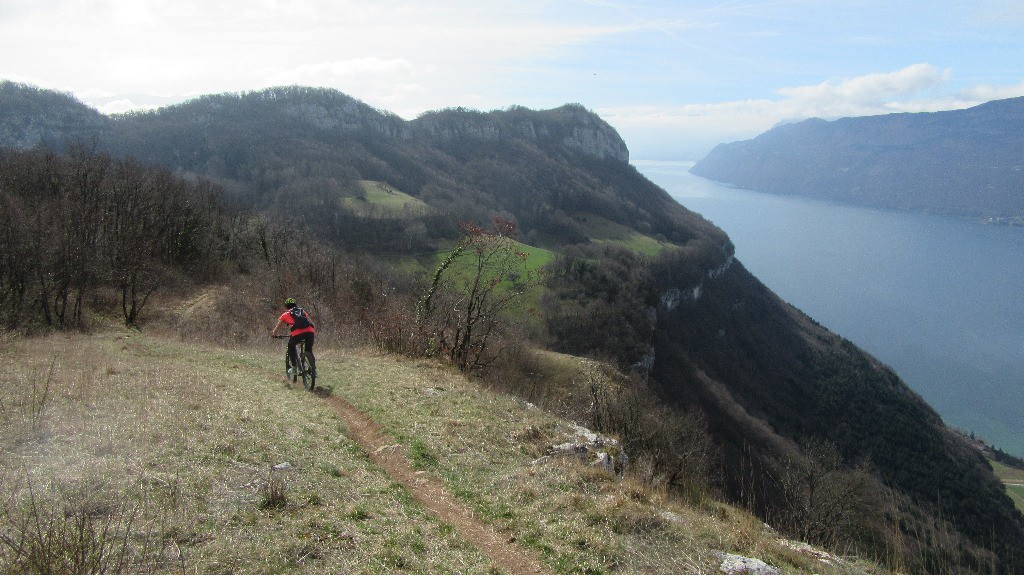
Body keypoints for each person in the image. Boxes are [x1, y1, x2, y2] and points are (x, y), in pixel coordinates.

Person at [271, 297, 317, 385]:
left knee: (291, 346)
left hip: (297, 333)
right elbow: (312, 323)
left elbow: (277, 328)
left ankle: (294, 367)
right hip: (310, 332)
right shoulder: (302, 311)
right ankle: (314, 370)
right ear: (295, 305)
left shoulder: (285, 314)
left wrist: (274, 334)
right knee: (309, 350)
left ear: (286, 307)